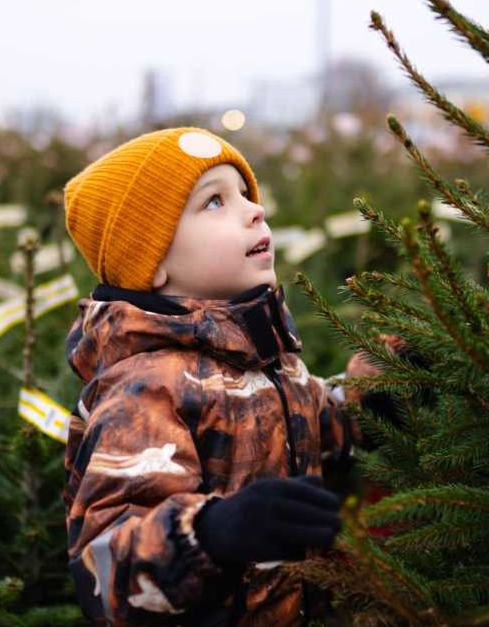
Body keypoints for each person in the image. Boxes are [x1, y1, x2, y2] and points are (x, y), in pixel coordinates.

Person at [59, 126, 387, 625]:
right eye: (214, 202)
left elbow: (321, 427)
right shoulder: (146, 390)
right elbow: (104, 568)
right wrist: (210, 532)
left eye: (245, 195)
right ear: (153, 263)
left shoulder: (270, 359)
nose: (254, 210)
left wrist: (383, 391)